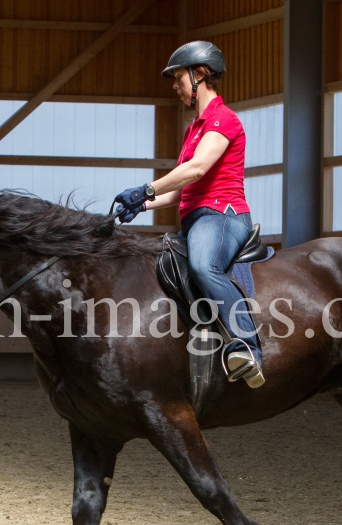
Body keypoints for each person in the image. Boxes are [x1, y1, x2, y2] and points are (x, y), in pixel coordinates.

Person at [113, 40, 264, 388]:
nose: (175, 85)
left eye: (178, 77)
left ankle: (248, 346)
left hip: (222, 217)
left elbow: (197, 169)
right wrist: (142, 205)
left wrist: (146, 187)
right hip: (195, 217)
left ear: (199, 75)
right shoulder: (194, 128)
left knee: (202, 265)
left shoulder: (224, 119)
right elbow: (182, 190)